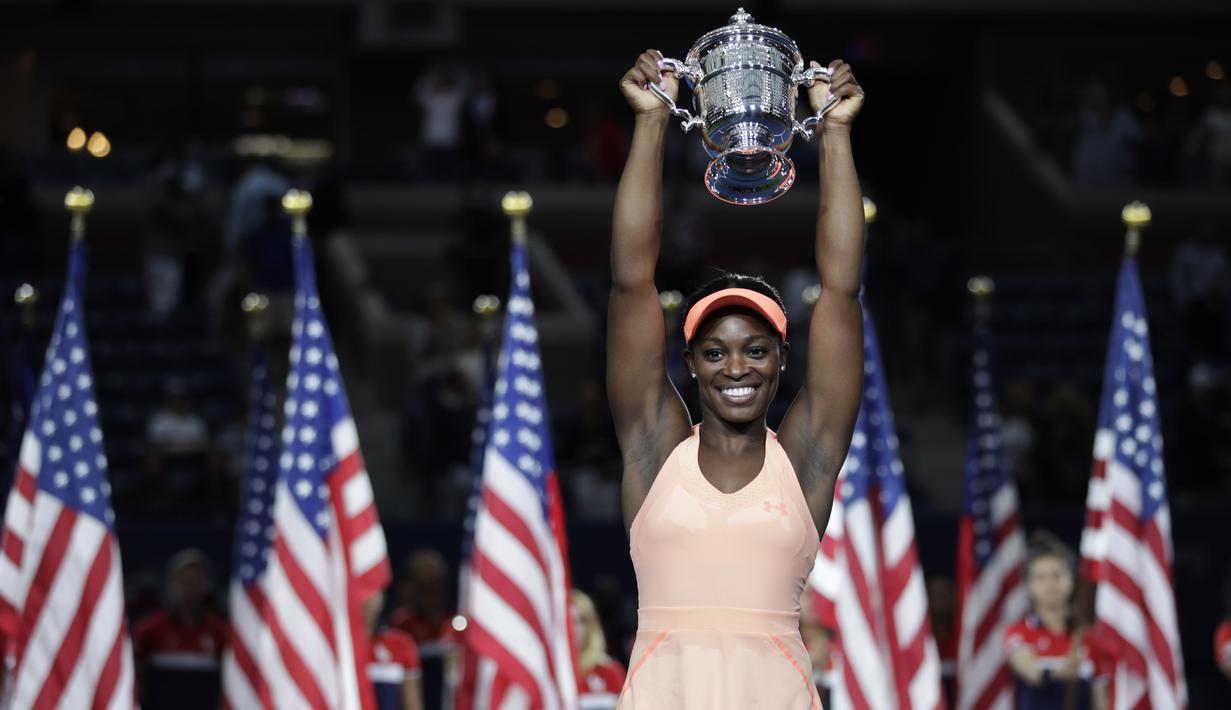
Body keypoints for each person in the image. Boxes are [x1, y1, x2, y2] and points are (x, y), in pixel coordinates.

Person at [607, 49, 866, 708]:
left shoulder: (805, 460)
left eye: (755, 350)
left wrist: (832, 134)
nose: (737, 369)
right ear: (688, 362)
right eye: (715, 353)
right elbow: (631, 284)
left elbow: (840, 293)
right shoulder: (654, 449)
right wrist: (649, 124)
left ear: (782, 357)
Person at [1002, 533, 1107, 709]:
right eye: (1041, 578)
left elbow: (1100, 694)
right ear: (1029, 586)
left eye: (1057, 574)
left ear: (1071, 579)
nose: (1050, 584)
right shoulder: (1019, 632)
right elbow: (1029, 671)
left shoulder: (1090, 634)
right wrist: (1057, 673)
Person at [132, 549, 228, 710]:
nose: (190, 588)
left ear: (206, 585)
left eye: (196, 581)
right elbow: (135, 678)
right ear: (173, 584)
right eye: (185, 581)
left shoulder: (220, 632)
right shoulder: (150, 630)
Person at [364, 592, 425, 710]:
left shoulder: (400, 644)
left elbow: (412, 704)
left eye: (373, 593)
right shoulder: (333, 646)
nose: (367, 601)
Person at [573, 589, 626, 710]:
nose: (573, 627)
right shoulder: (546, 672)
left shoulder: (609, 672)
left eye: (580, 621)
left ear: (591, 625)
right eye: (568, 620)